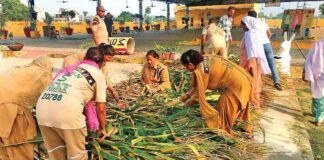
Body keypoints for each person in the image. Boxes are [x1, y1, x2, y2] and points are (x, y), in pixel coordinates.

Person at [36, 47, 107, 160]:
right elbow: (101, 108)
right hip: (67, 112)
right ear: (102, 63)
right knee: (77, 156)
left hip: (42, 110)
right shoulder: (98, 74)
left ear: (84, 58)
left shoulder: (69, 69)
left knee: (56, 154)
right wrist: (102, 129)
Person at [180, 50, 253, 136]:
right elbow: (196, 88)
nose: (186, 69)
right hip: (244, 78)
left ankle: (225, 135)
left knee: (224, 107)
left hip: (235, 85)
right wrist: (184, 97)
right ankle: (245, 129)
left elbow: (199, 94)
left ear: (191, 65)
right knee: (238, 107)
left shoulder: (202, 69)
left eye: (186, 67)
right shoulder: (205, 60)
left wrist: (186, 104)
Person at [0, 57, 53, 160]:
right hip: (10, 108)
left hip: (4, 104)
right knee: (20, 144)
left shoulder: (20, 69)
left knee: (4, 149)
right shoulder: (43, 74)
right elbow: (48, 100)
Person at [240, 16, 271, 110]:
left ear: (247, 24)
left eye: (242, 25)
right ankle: (252, 105)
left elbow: (252, 51)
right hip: (251, 63)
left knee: (251, 84)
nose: (241, 27)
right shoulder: (253, 34)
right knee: (253, 83)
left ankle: (252, 106)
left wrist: (251, 66)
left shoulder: (250, 35)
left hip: (250, 64)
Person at [248, 10, 282, 91]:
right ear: (256, 16)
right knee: (272, 64)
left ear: (249, 17)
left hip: (257, 46)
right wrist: (266, 41)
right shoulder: (262, 23)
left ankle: (258, 83)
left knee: (258, 64)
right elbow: (269, 34)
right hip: (267, 44)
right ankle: (277, 81)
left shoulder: (250, 24)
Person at [303, 40, 324, 126]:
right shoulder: (317, 44)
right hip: (319, 74)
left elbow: (308, 59)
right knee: (320, 94)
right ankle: (317, 115)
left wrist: (305, 71)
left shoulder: (317, 44)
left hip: (315, 73)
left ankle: (317, 114)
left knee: (317, 93)